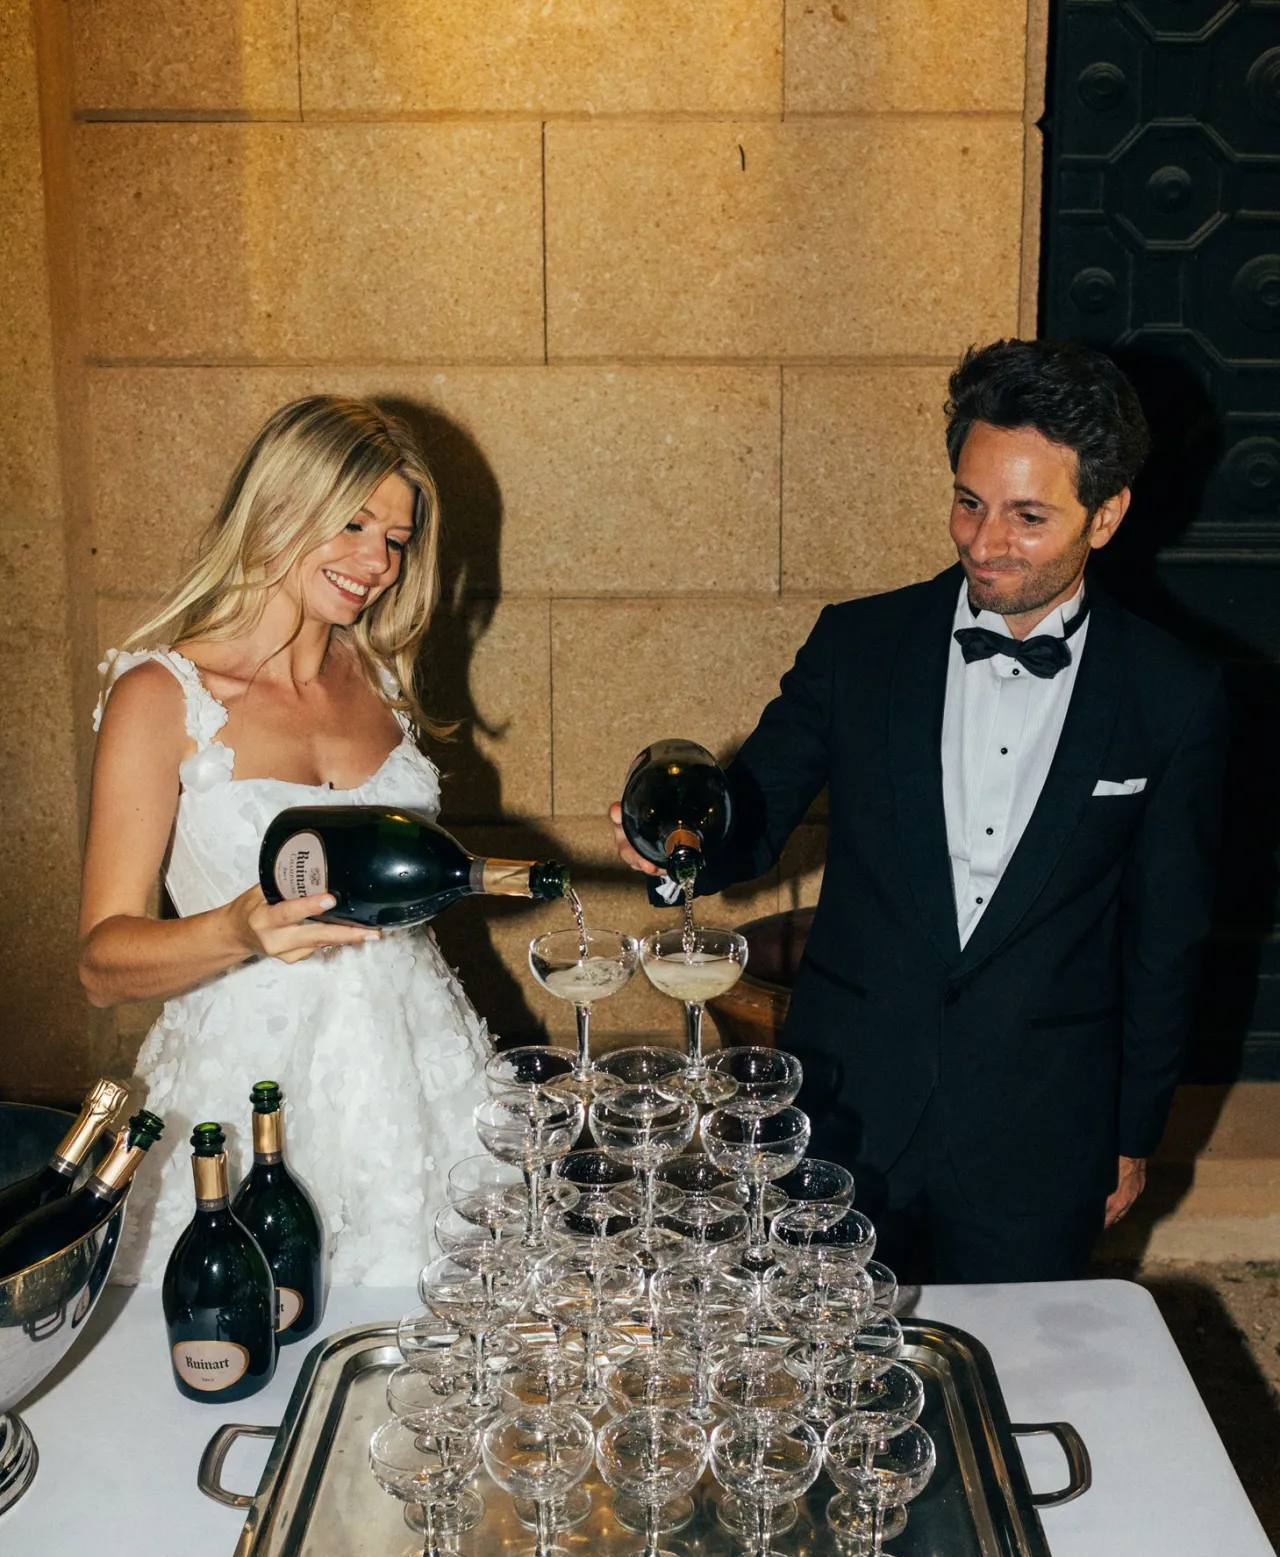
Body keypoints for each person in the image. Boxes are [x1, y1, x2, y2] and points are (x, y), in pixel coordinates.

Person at [610, 339, 1228, 1286]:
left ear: (1106, 516)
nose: (984, 542)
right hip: (847, 1103)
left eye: (1027, 516)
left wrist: (1131, 1130)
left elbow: (1165, 937)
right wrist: (680, 845)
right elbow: (756, 810)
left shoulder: (1172, 695)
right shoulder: (859, 646)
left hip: (1041, 1129)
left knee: (1013, 1395)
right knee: (824, 1390)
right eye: (968, 502)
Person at [80, 394, 492, 1287]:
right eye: (352, 523)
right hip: (253, 1097)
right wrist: (237, 929)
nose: (377, 561)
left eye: (396, 538)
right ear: (279, 504)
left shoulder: (380, 678)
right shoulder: (164, 694)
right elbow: (102, 963)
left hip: (422, 1084)